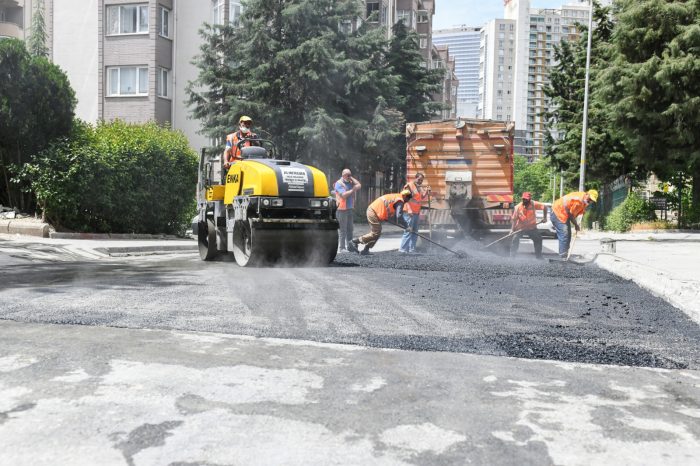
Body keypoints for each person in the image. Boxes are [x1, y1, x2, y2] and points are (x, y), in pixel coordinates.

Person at [348, 190, 412, 255]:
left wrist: (401, 224)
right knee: (376, 232)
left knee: (377, 233)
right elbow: (399, 216)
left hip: (374, 211)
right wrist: (406, 226)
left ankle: (366, 249)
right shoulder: (400, 200)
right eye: (408, 198)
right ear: (404, 196)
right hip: (373, 211)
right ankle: (354, 242)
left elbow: (394, 216)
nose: (407, 200)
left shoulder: (396, 198)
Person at [550, 189, 599, 258]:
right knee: (564, 233)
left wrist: (577, 224)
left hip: (564, 214)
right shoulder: (578, 200)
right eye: (590, 199)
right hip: (557, 212)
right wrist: (576, 225)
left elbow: (578, 213)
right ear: (587, 194)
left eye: (592, 200)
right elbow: (570, 214)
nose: (590, 201)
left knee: (568, 235)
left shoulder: (584, 202)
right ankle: (563, 256)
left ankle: (565, 255)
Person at [510, 192, 547, 259]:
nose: (525, 200)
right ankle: (512, 257)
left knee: (538, 239)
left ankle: (539, 257)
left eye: (526, 199)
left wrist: (545, 218)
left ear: (529, 199)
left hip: (531, 227)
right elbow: (514, 219)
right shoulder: (518, 207)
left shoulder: (533, 204)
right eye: (524, 199)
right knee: (515, 239)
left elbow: (545, 207)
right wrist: (512, 230)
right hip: (520, 228)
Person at [399, 172, 429, 253]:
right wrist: (409, 210)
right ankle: (402, 250)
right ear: (415, 178)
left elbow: (421, 197)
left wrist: (426, 191)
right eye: (419, 179)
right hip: (409, 213)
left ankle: (412, 249)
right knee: (408, 231)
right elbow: (405, 198)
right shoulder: (409, 186)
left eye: (421, 180)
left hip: (416, 212)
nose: (420, 181)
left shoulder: (419, 187)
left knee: (415, 232)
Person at [334, 169, 361, 252]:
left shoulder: (350, 182)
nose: (349, 176)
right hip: (341, 210)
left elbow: (359, 185)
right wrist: (353, 190)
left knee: (350, 229)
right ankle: (342, 248)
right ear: (343, 175)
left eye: (350, 174)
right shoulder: (338, 183)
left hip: (349, 208)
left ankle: (350, 247)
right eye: (347, 175)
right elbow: (343, 195)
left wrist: (351, 178)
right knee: (343, 230)